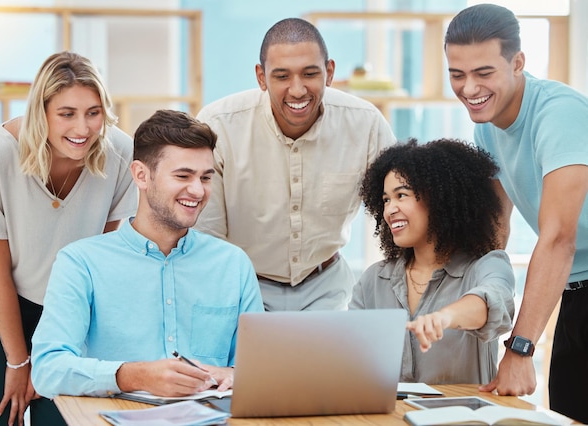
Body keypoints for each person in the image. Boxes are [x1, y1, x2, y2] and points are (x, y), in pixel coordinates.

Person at [31, 109, 264, 402]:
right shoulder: (81, 263)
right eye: (183, 175)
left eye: (206, 177)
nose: (197, 190)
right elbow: (47, 370)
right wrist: (135, 376)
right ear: (141, 175)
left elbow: (259, 368)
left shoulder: (233, 264)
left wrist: (233, 374)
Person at [0, 51, 137, 426]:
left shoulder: (120, 152)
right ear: (41, 112)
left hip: (65, 292)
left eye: (93, 112)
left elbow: (100, 260)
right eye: (67, 113)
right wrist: (18, 360)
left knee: (61, 412)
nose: (83, 128)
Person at [444, 4, 588, 422]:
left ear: (518, 63)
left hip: (575, 274)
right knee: (569, 414)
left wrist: (520, 347)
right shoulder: (486, 126)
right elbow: (494, 230)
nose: (469, 88)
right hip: (575, 291)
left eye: (483, 73)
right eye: (457, 74)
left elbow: (559, 236)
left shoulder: (557, 114)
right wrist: (452, 302)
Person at [195, 17, 396, 311]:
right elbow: (206, 237)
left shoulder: (365, 124)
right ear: (261, 78)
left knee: (332, 359)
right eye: (282, 76)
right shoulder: (217, 126)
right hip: (244, 284)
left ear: (329, 72)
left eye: (309, 73)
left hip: (327, 285)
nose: (298, 90)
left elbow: (403, 205)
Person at [349, 138, 515, 384]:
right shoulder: (373, 280)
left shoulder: (487, 265)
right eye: (385, 200)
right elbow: (350, 355)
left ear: (439, 200)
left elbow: (492, 302)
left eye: (401, 195)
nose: (389, 209)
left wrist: (445, 317)